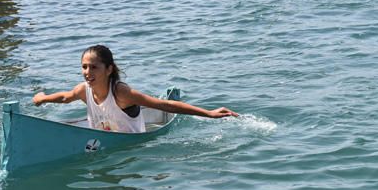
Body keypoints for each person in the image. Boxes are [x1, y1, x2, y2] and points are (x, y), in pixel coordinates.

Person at [32, 45, 239, 133]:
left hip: (132, 143)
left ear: (109, 69)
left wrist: (209, 114)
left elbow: (165, 104)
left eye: (94, 67)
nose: (87, 72)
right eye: (84, 66)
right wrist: (43, 98)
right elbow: (65, 97)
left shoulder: (121, 93)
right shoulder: (83, 89)